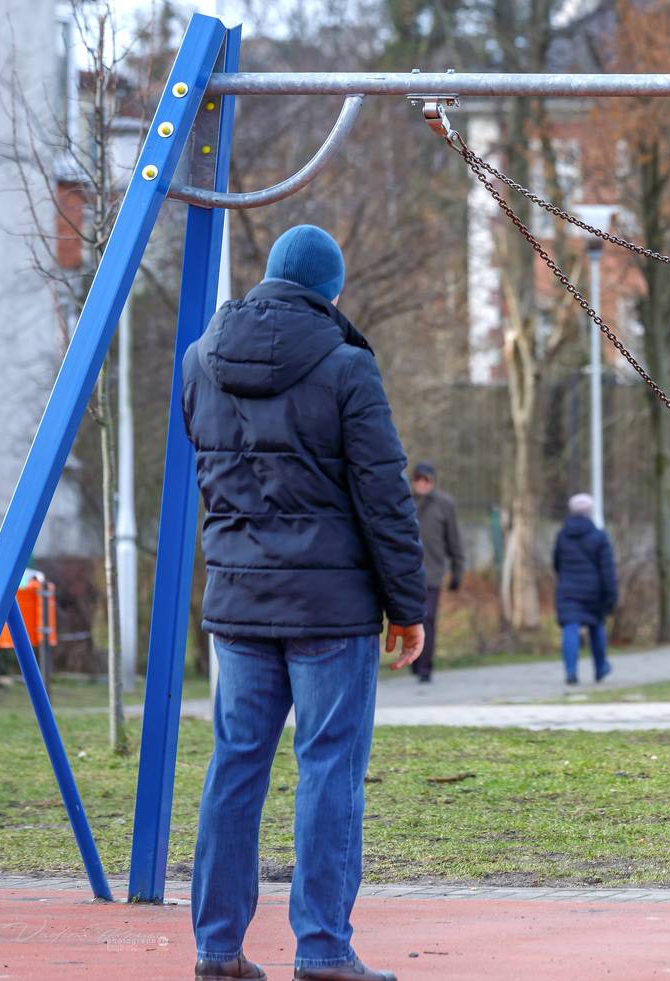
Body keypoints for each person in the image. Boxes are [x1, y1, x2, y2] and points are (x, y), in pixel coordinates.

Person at [184, 224, 423, 981]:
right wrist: (407, 606)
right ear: (332, 291)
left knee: (235, 766)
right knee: (329, 769)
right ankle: (322, 947)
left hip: (238, 602)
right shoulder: (347, 367)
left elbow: (211, 475)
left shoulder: (199, 361)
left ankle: (217, 947)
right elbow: (385, 497)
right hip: (331, 609)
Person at [410, 461, 465, 684]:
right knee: (409, 619)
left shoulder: (445, 504)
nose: (422, 484)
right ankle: (414, 659)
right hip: (406, 573)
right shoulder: (402, 502)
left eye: (427, 480)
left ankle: (425, 667)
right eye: (418, 480)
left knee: (428, 618)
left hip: (432, 572)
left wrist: (457, 569)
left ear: (433, 482)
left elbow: (454, 540)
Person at [553, 493, 616, 685]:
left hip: (568, 590)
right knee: (596, 626)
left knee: (570, 628)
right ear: (590, 512)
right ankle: (600, 668)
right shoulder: (599, 537)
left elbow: (556, 564)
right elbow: (607, 570)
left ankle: (571, 672)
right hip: (593, 591)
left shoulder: (562, 536)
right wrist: (611, 595)